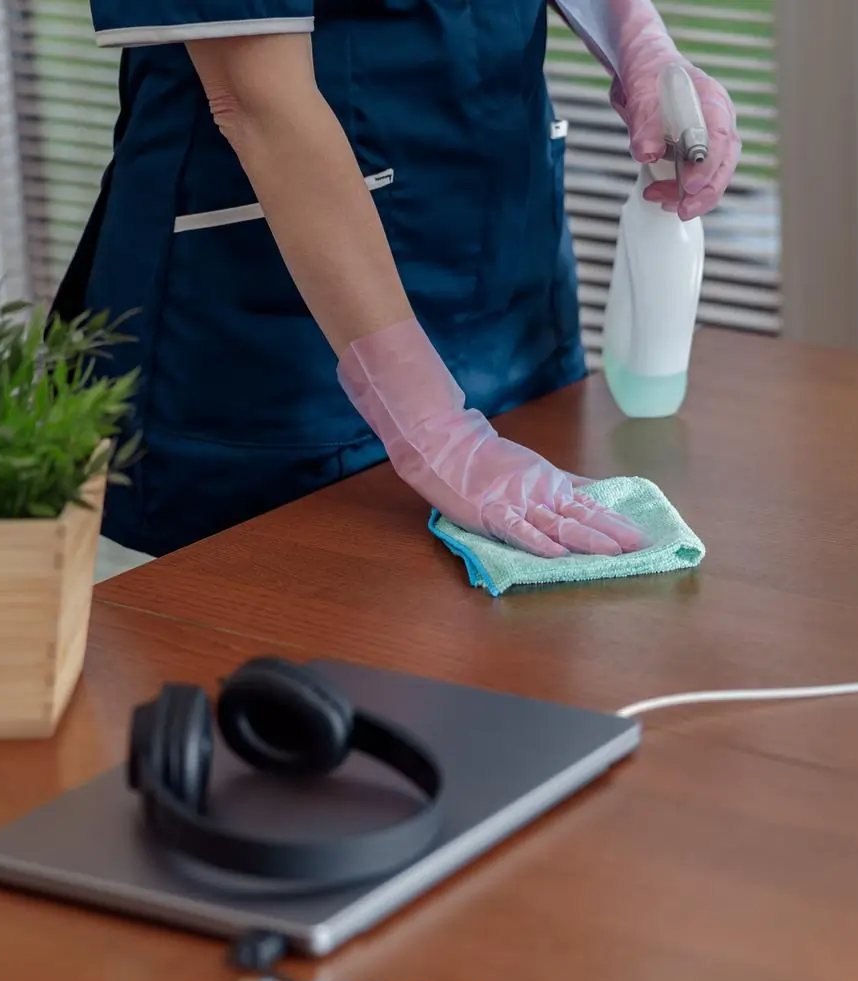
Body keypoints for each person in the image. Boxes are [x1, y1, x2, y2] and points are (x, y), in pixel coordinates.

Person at [60, 0, 740, 563]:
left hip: (509, 287)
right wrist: (439, 431)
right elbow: (254, 97)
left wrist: (637, 39)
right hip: (275, 352)